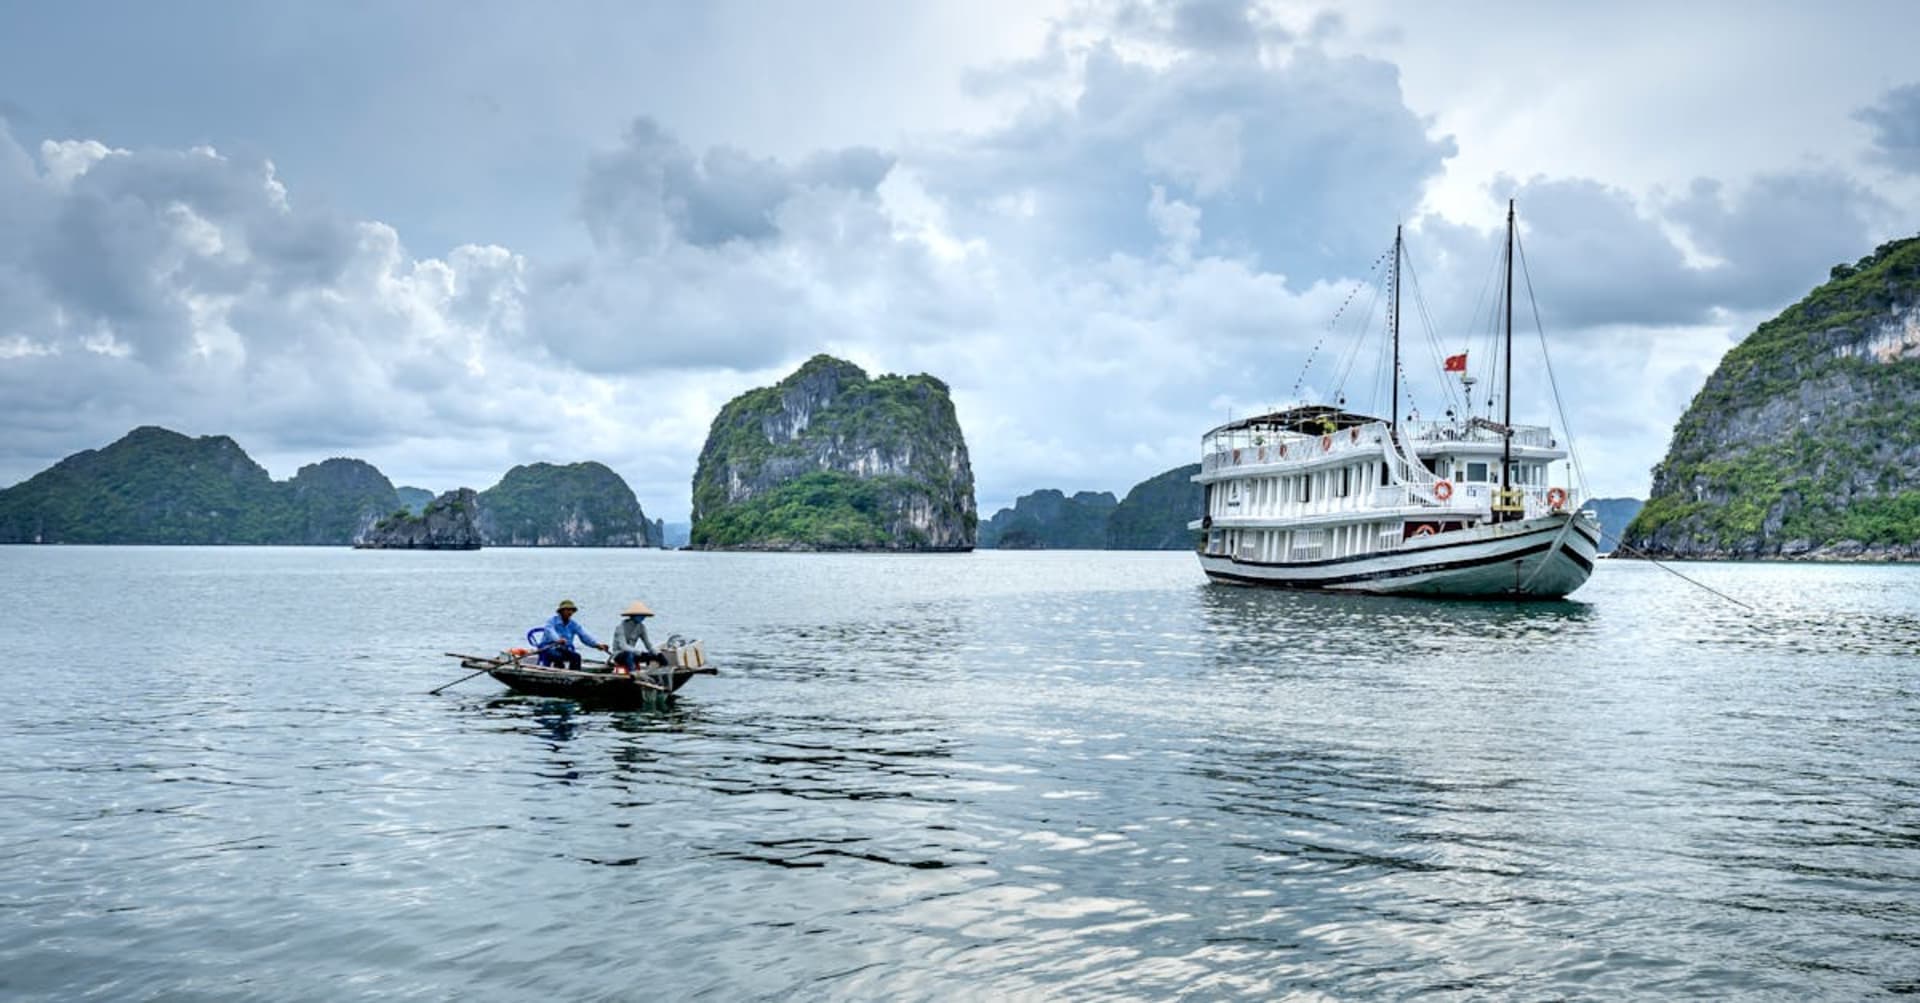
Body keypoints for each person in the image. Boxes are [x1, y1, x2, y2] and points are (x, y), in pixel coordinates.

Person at [537, 599, 608, 671]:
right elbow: (550, 631)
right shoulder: (551, 621)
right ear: (561, 611)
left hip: (562, 648)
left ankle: (574, 675)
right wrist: (558, 639)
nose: (570, 612)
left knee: (576, 657)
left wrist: (596, 645)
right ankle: (557, 670)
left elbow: (584, 635)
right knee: (557, 656)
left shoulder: (573, 624)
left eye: (571, 610)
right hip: (548, 646)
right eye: (567, 610)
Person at [610, 600, 667, 673]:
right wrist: (639, 652)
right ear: (633, 616)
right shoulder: (620, 628)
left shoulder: (641, 627)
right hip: (620, 655)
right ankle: (634, 672)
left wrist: (658, 654)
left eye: (643, 616)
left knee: (654, 656)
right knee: (628, 654)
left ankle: (659, 671)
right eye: (640, 615)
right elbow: (623, 646)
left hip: (633, 654)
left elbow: (648, 645)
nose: (643, 617)